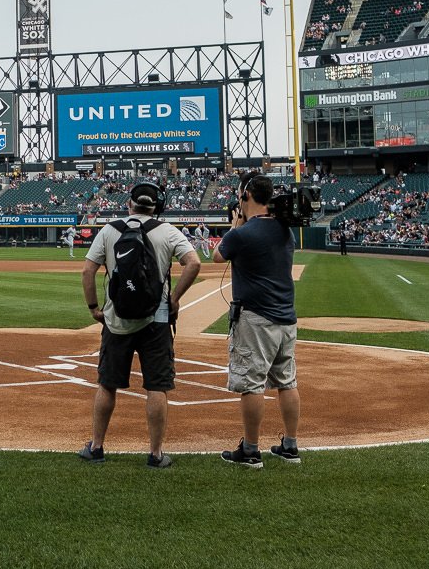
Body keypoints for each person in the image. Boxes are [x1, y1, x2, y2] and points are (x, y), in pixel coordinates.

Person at [77, 182, 200, 468]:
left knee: (107, 384)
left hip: (117, 318)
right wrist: (175, 298)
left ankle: (96, 447)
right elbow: (193, 263)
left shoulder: (110, 230)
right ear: (156, 207)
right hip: (156, 320)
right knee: (157, 387)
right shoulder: (168, 230)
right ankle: (156, 455)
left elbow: (87, 271)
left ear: (129, 204)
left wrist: (94, 307)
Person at [213, 173, 300, 468]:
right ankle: (290, 445)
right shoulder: (285, 231)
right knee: (287, 382)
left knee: (252, 384)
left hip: (256, 318)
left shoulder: (242, 234)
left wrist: (237, 221)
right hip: (286, 318)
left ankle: (250, 450)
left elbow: (217, 256)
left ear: (246, 195)